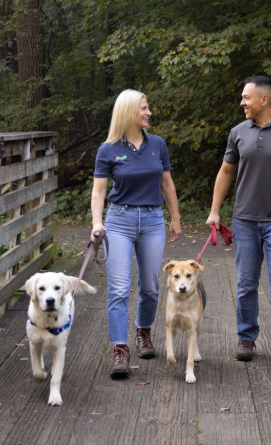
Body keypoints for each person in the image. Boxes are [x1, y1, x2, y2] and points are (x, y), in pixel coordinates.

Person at [206, 75, 271, 374]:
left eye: (246, 97)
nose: (242, 102)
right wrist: (215, 211)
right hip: (244, 220)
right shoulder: (238, 133)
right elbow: (226, 172)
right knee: (246, 283)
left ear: (264, 100)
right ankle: (246, 338)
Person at [91, 89, 181, 379]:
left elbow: (166, 183)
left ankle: (143, 331)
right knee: (118, 289)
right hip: (119, 221)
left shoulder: (157, 145)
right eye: (144, 108)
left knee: (151, 286)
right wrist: (96, 222)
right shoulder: (108, 150)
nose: (148, 112)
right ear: (130, 111)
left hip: (153, 221)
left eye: (148, 107)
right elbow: (99, 190)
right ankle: (119, 349)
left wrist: (175, 217)